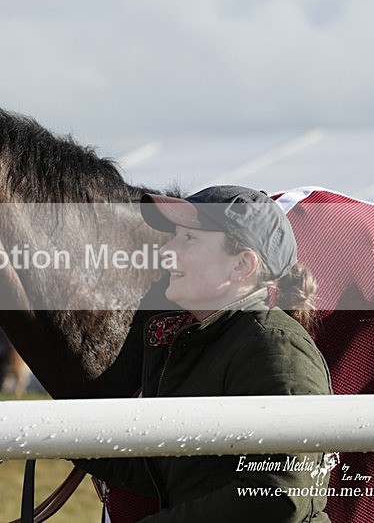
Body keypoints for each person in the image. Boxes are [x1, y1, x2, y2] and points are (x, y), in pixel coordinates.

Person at [75, 185, 333, 522]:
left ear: (242, 265)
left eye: (189, 239)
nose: (167, 250)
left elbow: (278, 495)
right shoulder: (207, 339)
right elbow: (171, 467)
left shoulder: (274, 344)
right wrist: (60, 436)